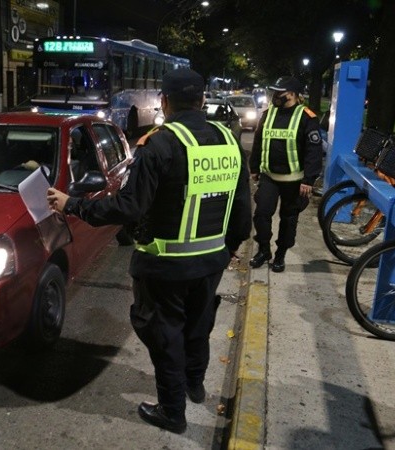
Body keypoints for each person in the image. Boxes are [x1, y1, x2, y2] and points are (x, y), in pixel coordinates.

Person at [46, 68, 251, 434]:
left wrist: (72, 205)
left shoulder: (160, 143)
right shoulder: (228, 140)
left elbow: (128, 208)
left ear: (165, 102)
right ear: (203, 100)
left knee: (165, 334)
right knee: (198, 326)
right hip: (212, 261)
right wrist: (228, 248)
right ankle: (194, 385)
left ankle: (172, 412)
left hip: (166, 265)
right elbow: (241, 208)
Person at [248, 76, 323, 272]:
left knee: (288, 219)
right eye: (274, 92)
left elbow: (313, 151)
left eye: (279, 92)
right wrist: (254, 168)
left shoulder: (307, 117)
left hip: (295, 181)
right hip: (269, 177)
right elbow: (258, 142)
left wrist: (309, 180)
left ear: (292, 94)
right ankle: (264, 249)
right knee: (261, 214)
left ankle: (280, 254)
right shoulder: (268, 114)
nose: (275, 96)